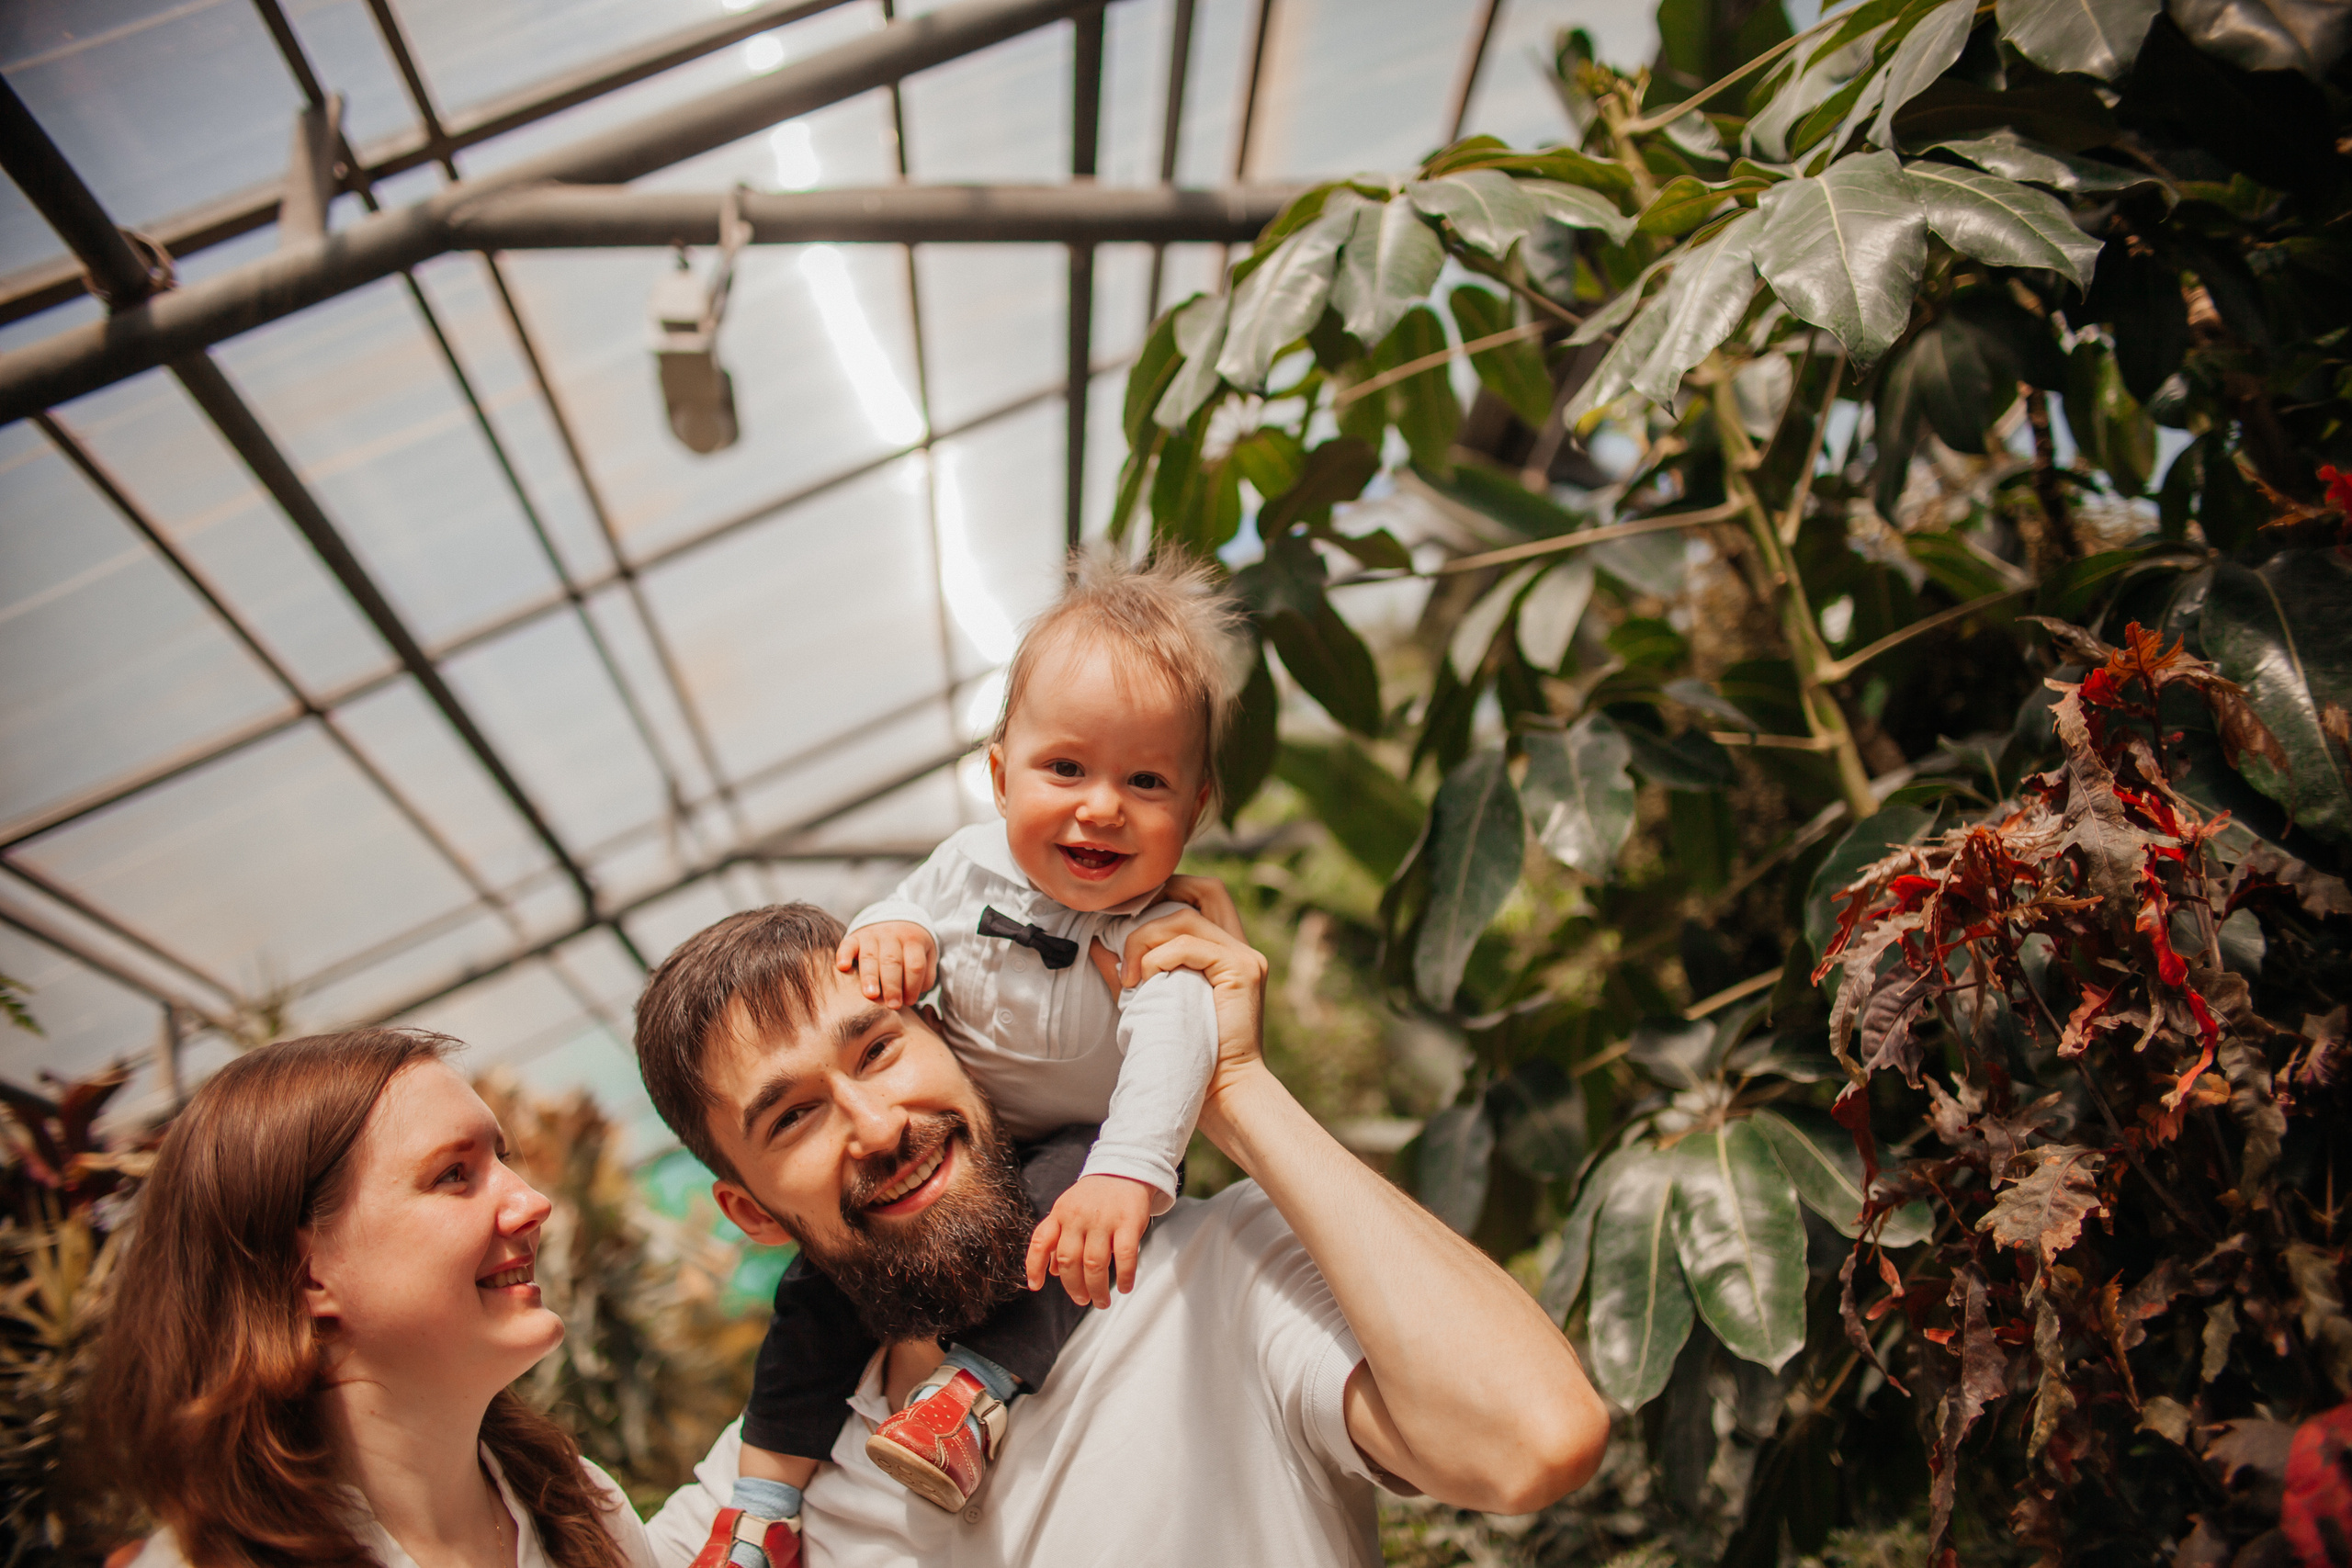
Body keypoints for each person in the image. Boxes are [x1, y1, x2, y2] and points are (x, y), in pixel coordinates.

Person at [630, 895, 1611, 1568]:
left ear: (947, 1038)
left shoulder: (1218, 1268)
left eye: (879, 1048)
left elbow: (1533, 1442)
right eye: (792, 1117)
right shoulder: (776, 1476)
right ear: (752, 1212)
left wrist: (1225, 1085)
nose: (876, 1125)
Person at [695, 551, 1240, 1558]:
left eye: (1146, 780)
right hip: (970, 1133)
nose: (1103, 806)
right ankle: (761, 1508)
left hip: (1083, 1145)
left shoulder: (1158, 931)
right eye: (1066, 768)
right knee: (815, 1294)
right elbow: (910, 911)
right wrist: (891, 930)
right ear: (1000, 775)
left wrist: (1128, 1171)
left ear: (1194, 809)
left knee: (1067, 1250)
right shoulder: (966, 864)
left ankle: (970, 1400)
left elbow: (1174, 1058)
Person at [89, 1029, 660, 1568]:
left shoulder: (584, 1509)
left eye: (502, 1161)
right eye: (454, 1174)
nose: (532, 1202)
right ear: (306, 1275)